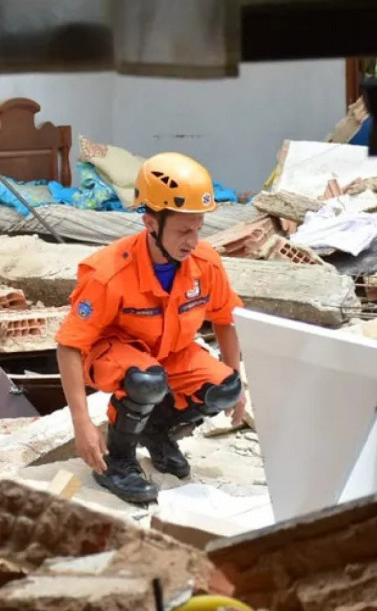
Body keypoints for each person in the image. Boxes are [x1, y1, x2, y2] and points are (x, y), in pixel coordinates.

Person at [55, 152, 247, 504]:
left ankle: (158, 431)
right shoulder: (109, 273)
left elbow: (225, 318)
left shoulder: (205, 263)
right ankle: (119, 459)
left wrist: (238, 380)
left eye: (199, 229)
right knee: (147, 381)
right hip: (113, 356)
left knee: (226, 389)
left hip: (169, 353)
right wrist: (81, 424)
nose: (193, 241)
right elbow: (68, 345)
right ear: (150, 223)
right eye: (183, 230)